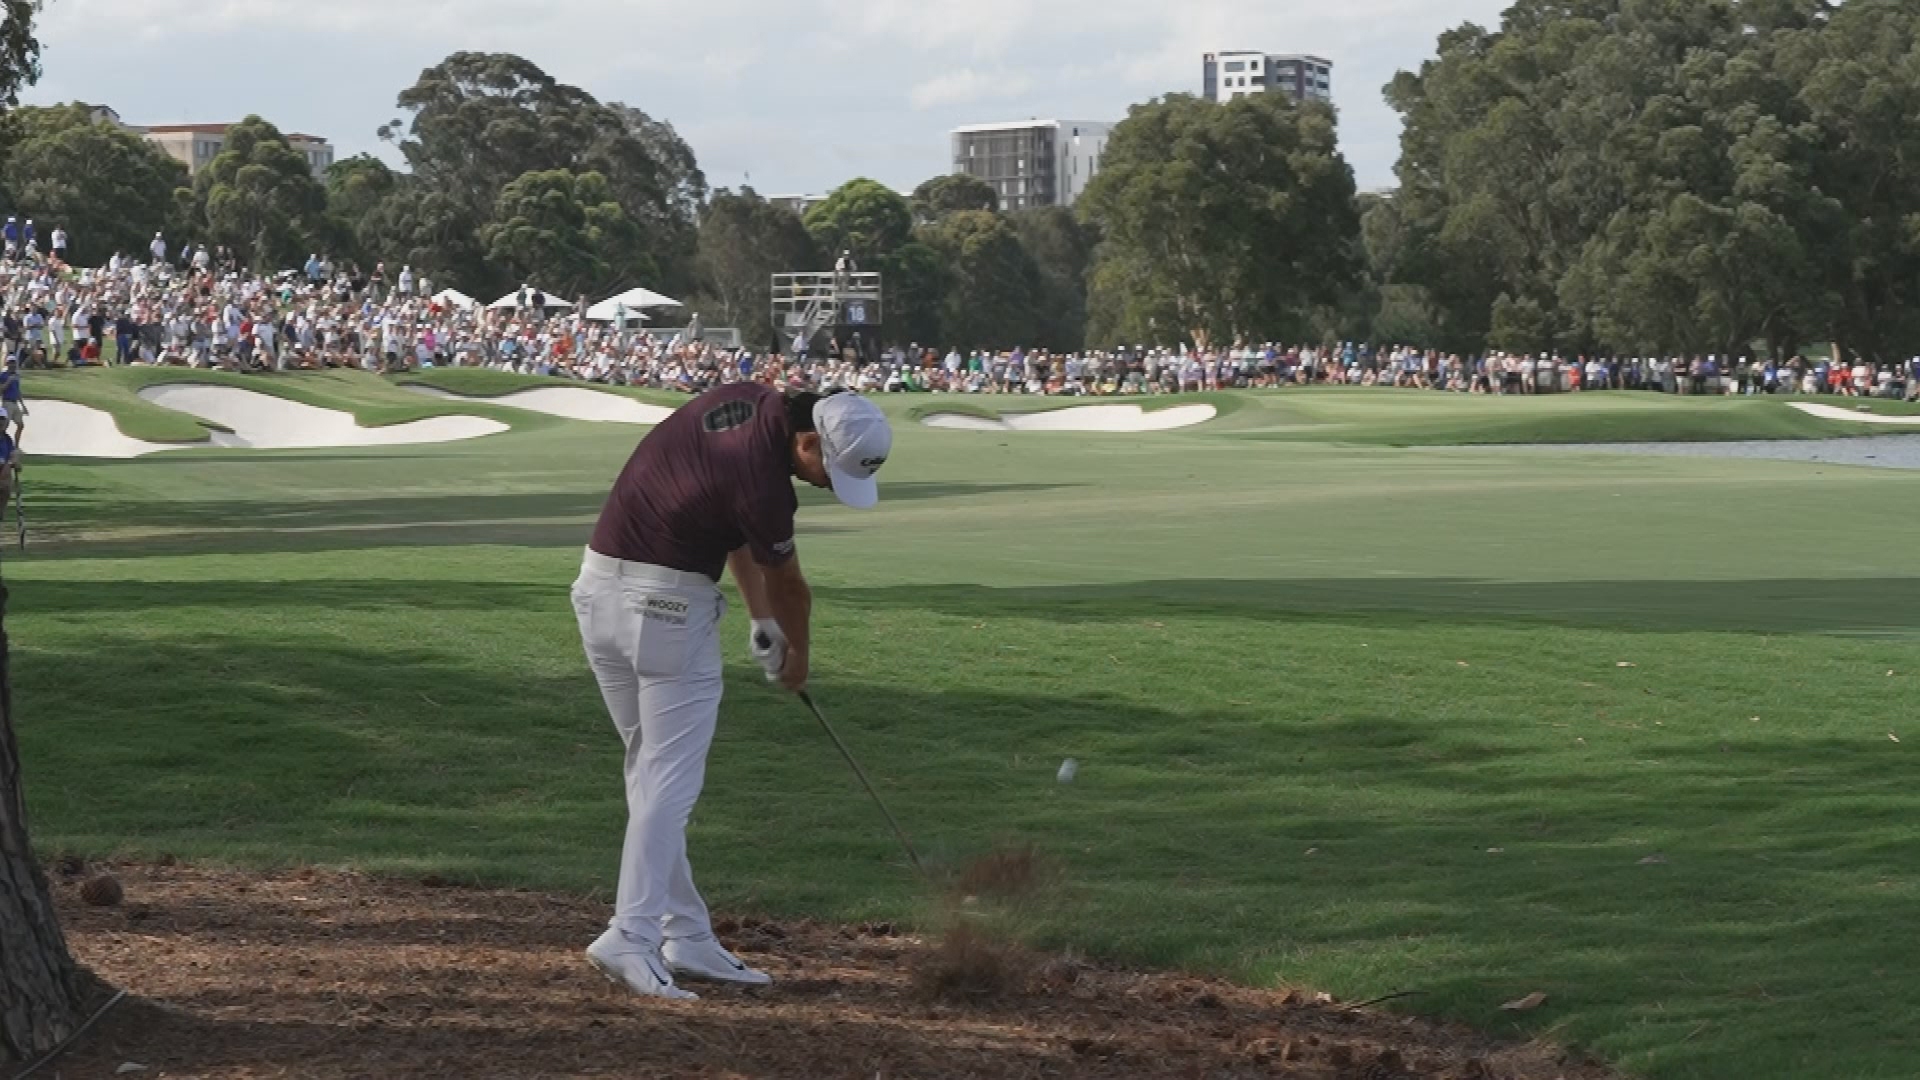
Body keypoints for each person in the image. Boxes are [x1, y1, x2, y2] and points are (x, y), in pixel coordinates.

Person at [573, 385, 892, 1000]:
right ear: (806, 443)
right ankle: (630, 935)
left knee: (649, 775)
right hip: (664, 609)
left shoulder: (746, 403)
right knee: (668, 782)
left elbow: (731, 528)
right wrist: (797, 659)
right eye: (829, 473)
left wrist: (759, 621)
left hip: (598, 591)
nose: (827, 486)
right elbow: (794, 588)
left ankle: (684, 933)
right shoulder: (770, 486)